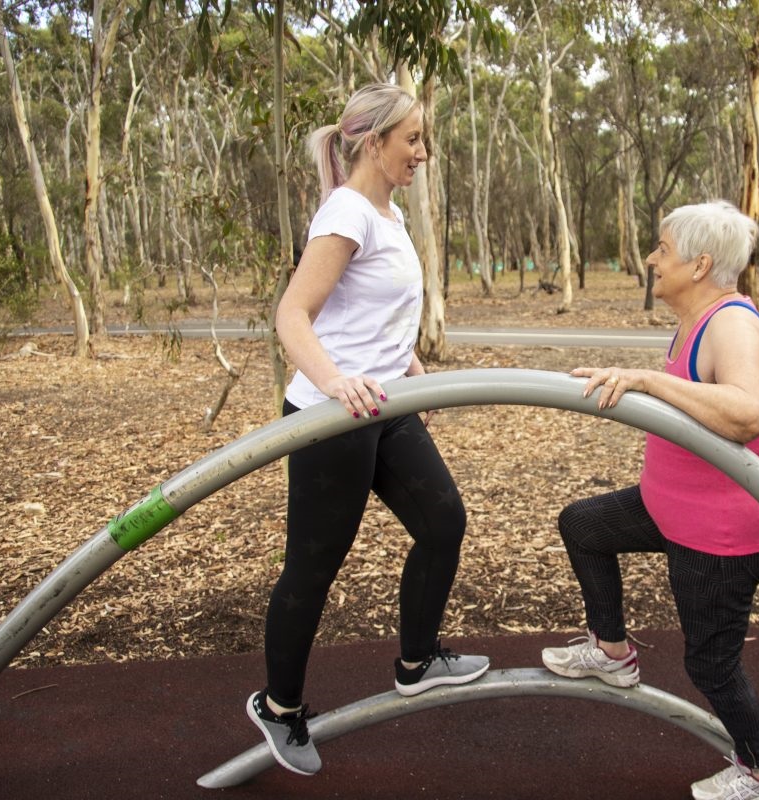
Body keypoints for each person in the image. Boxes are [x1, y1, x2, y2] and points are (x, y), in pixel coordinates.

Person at [246, 83, 488, 777]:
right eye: (412, 138)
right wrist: (333, 381)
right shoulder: (347, 211)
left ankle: (417, 662)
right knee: (315, 565)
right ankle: (280, 707)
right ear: (374, 142)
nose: (423, 151)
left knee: (443, 521)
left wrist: (405, 361)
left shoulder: (388, 211)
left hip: (383, 405)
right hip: (333, 416)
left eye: (423, 137)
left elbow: (376, 308)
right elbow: (294, 314)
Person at [541, 200, 759, 800]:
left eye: (663, 249)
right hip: (668, 510)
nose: (653, 259)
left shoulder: (731, 324)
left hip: (720, 535)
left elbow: (747, 413)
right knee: (584, 525)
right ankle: (612, 651)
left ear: (700, 264)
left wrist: (649, 380)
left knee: (710, 665)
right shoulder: (694, 320)